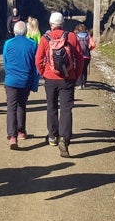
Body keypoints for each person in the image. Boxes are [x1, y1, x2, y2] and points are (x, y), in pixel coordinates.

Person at [35, 12, 84, 158]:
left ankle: (52, 137)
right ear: (63, 24)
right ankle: (65, 138)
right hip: (68, 78)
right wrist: (76, 74)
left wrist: (44, 73)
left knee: (51, 107)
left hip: (50, 78)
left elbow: (38, 59)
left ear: (51, 24)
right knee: (66, 109)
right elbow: (80, 58)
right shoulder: (71, 37)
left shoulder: (45, 38)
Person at [3, 21, 38, 149]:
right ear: (26, 31)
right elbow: (36, 66)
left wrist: (8, 76)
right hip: (26, 81)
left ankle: (12, 137)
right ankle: (21, 132)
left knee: (11, 107)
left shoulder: (8, 43)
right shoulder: (33, 44)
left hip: (11, 80)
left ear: (14, 31)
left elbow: (5, 62)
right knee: (22, 105)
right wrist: (35, 83)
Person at [74, 23, 97, 89]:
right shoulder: (88, 36)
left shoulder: (76, 36)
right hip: (86, 56)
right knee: (84, 70)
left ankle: (79, 84)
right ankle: (84, 83)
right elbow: (93, 44)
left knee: (78, 69)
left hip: (78, 56)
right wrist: (89, 49)